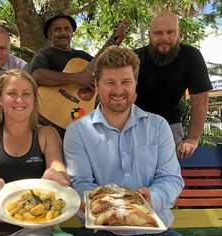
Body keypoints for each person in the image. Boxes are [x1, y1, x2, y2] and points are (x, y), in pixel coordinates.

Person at [64, 46, 184, 236]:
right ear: (96, 84)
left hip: (155, 228)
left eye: (126, 81)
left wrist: (152, 198)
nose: (118, 90)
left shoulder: (159, 126)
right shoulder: (77, 132)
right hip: (102, 230)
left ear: (136, 83)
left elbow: (171, 178)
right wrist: (115, 209)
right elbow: (81, 184)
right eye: (110, 82)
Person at [0, 69, 70, 236]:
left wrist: (57, 176)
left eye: (26, 94)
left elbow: (57, 166)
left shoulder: (47, 134)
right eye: (12, 93)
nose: (20, 100)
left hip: (33, 226)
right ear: (0, 98)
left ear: (34, 100)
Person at [134, 11, 212, 159]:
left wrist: (192, 139)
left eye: (170, 32)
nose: (164, 38)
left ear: (178, 33)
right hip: (136, 125)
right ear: (150, 35)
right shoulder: (136, 58)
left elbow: (200, 101)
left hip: (171, 126)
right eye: (158, 33)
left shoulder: (191, 56)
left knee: (169, 174)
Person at [31, 13, 94, 137]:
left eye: (67, 29)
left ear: (72, 33)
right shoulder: (44, 53)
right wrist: (75, 78)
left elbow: (103, 68)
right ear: (49, 35)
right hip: (44, 119)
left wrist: (115, 42)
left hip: (75, 121)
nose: (63, 33)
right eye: (57, 29)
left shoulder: (83, 56)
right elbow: (38, 76)